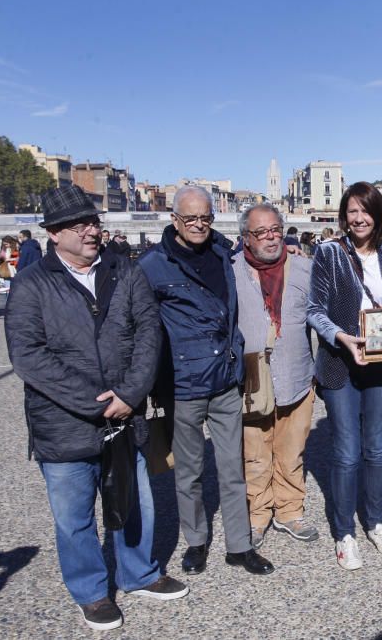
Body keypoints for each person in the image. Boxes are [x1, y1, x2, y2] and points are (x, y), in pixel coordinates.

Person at [5, 183, 188, 631]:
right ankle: (90, 592)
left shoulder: (124, 271)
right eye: (79, 224)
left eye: (93, 222)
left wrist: (129, 394)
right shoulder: (32, 283)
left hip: (125, 414)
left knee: (135, 499)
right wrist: (93, 402)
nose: (91, 231)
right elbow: (28, 355)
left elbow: (149, 331)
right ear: (54, 233)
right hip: (63, 422)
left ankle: (139, 573)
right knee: (74, 515)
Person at [138, 185, 274, 577]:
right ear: (174, 219)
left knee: (232, 468)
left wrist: (293, 251)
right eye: (191, 218)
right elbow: (139, 324)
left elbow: (262, 259)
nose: (199, 225)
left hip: (225, 379)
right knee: (189, 471)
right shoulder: (152, 265)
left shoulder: (224, 252)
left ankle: (239, 545)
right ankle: (196, 541)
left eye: (205, 218)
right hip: (183, 383)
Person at [307, 181, 382, 571]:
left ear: (378, 215)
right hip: (340, 364)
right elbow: (314, 309)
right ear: (344, 216)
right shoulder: (330, 253)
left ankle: (376, 521)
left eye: (365, 210)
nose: (359, 218)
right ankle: (344, 532)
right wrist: (341, 338)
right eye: (352, 211)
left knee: (376, 449)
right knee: (347, 452)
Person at [233, 204, 319, 547]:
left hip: (296, 375)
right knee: (254, 452)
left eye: (274, 230)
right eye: (260, 232)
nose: (270, 237)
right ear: (245, 239)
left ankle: (289, 511)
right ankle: (257, 516)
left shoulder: (304, 268)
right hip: (251, 380)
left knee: (291, 450)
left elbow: (325, 315)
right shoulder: (231, 271)